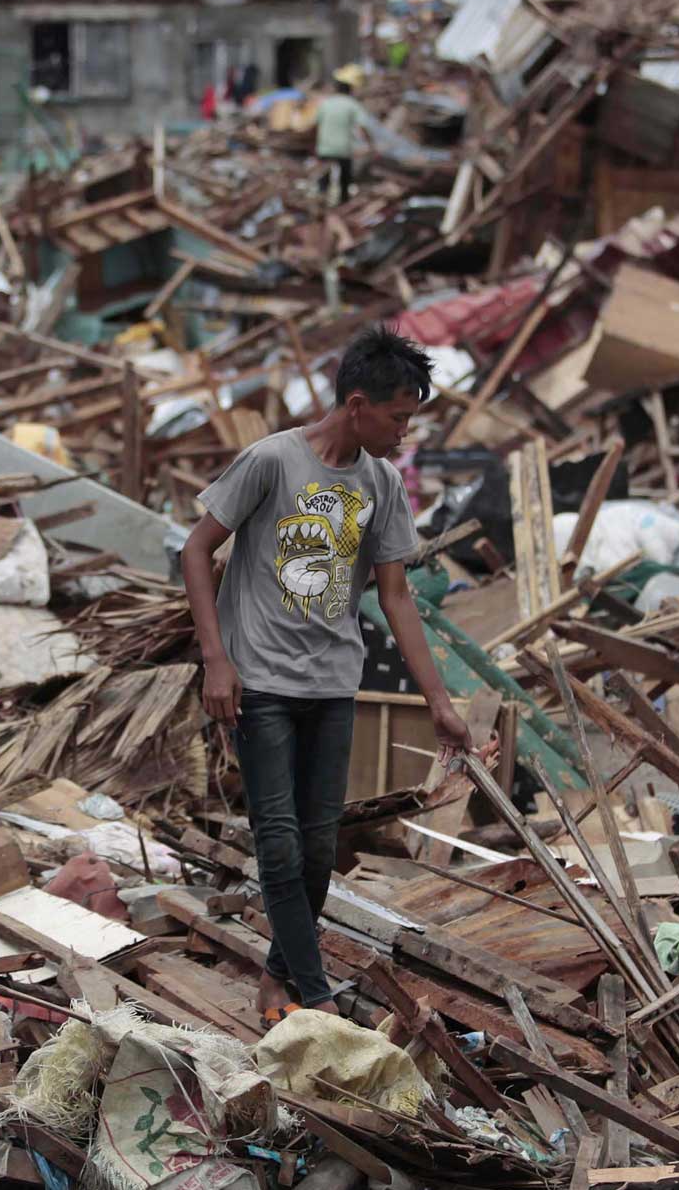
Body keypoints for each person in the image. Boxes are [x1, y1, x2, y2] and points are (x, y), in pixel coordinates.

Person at [181, 326, 471, 1024]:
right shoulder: (272, 462)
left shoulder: (381, 485)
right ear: (358, 404)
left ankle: (279, 977)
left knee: (316, 847)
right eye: (398, 417)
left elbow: (395, 596)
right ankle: (317, 996)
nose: (404, 433)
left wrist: (439, 702)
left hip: (333, 685)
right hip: (260, 683)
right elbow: (196, 551)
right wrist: (216, 659)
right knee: (277, 839)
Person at [314, 74, 368, 204]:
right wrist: (368, 142)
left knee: (324, 177)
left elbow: (316, 123)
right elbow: (362, 126)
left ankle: (322, 201)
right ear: (350, 90)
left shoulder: (326, 103)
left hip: (325, 147)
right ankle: (343, 202)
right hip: (343, 148)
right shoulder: (352, 104)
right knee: (345, 179)